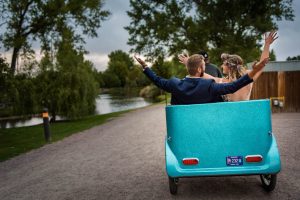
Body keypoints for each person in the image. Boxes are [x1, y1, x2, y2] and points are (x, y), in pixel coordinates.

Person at [178, 31, 278, 101]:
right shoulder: (229, 80)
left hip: (238, 115)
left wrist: (267, 45)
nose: (221, 66)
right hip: (235, 116)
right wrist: (189, 63)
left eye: (224, 64)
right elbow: (201, 74)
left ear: (229, 66)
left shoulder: (244, 78)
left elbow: (262, 64)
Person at [134, 54, 269, 105]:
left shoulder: (174, 84)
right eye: (204, 66)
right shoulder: (210, 86)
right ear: (200, 69)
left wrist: (146, 67)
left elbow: (158, 80)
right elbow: (233, 86)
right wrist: (255, 70)